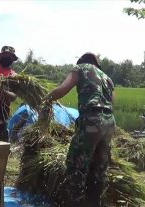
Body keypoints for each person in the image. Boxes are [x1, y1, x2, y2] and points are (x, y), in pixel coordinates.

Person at [42, 52, 115, 207]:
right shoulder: (107, 78)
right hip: (109, 123)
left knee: (76, 167)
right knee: (99, 170)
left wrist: (45, 99)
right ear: (97, 64)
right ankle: (95, 202)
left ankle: (73, 203)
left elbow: (63, 89)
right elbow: (112, 101)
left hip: (91, 120)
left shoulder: (80, 68)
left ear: (82, 61)